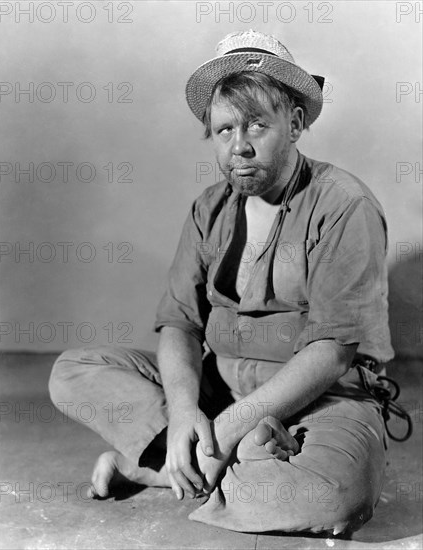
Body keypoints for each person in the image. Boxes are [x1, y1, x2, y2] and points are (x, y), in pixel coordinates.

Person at [49, 30, 396, 535]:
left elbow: (333, 352)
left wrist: (226, 430)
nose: (240, 147)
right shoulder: (209, 208)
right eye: (224, 129)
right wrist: (188, 412)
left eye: (258, 125)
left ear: (295, 123)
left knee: (335, 498)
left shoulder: (344, 206)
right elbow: (179, 324)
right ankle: (219, 462)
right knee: (73, 371)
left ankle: (154, 469)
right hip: (219, 387)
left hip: (324, 398)